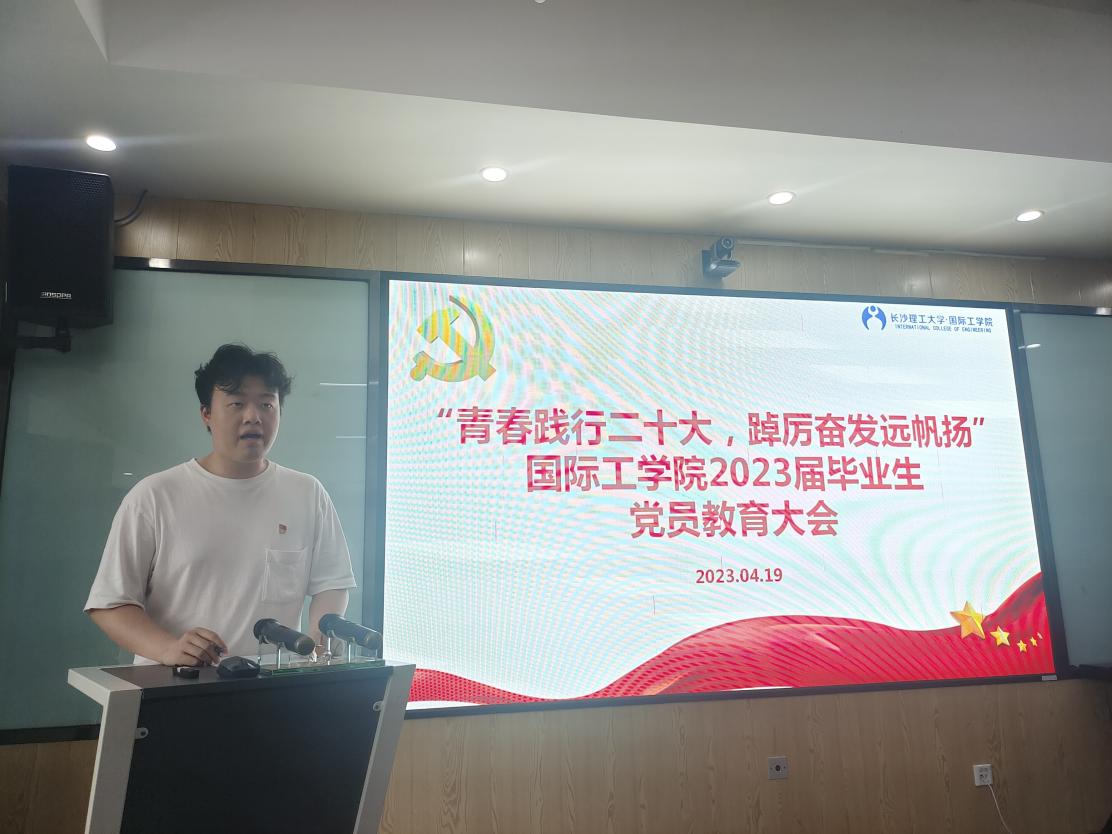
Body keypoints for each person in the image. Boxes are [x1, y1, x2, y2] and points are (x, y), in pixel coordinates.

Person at [85, 344, 357, 666]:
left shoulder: (307, 493)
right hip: (174, 684)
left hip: (273, 685)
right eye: (237, 403)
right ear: (207, 414)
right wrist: (168, 649)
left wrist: (319, 639)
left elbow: (331, 584)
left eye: (267, 404)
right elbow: (110, 605)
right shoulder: (154, 496)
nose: (253, 416)